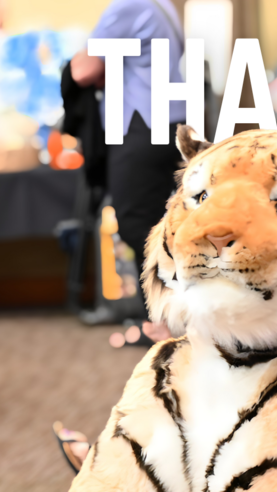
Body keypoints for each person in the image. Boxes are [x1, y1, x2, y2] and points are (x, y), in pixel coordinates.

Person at [70, 0, 185, 346]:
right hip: (168, 122)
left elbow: (83, 70)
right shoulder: (162, 6)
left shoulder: (128, 5)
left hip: (141, 125)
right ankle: (164, 321)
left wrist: (81, 57)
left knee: (138, 224)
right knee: (159, 223)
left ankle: (169, 324)